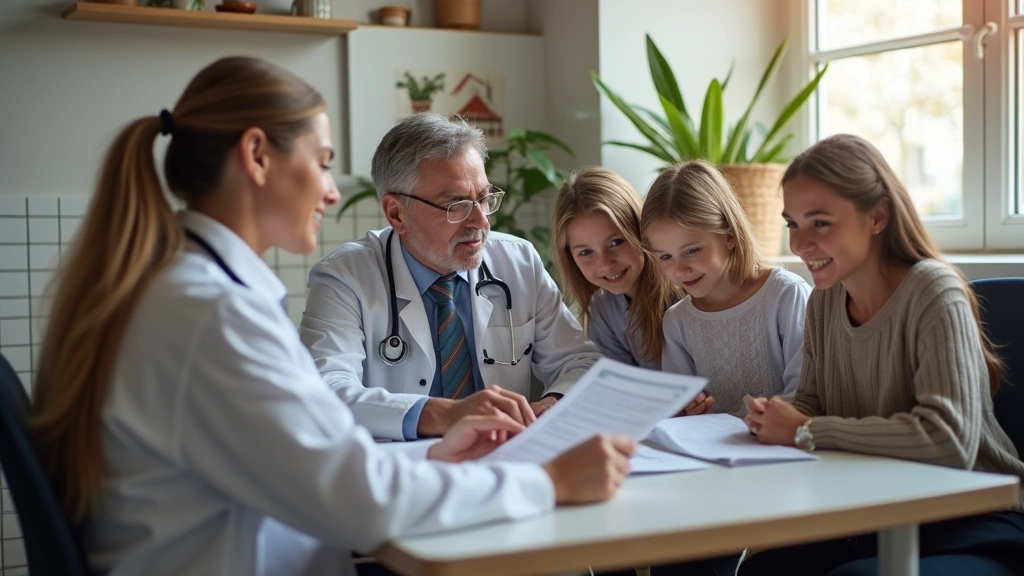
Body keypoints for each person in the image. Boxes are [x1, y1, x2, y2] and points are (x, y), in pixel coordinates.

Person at [28, 57, 636, 576]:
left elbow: (323, 457)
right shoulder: (210, 311)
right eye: (322, 162)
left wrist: (445, 456)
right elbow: (355, 495)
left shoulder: (193, 288)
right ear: (257, 156)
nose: (330, 191)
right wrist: (550, 483)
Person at [742, 134, 1024, 575]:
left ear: (877, 217)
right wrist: (774, 416)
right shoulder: (823, 302)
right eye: (792, 224)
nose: (799, 244)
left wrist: (806, 431)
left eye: (820, 223)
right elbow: (813, 403)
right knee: (763, 568)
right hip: (874, 514)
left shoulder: (933, 291)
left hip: (971, 521)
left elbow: (948, 441)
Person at [300, 112, 602, 442]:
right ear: (396, 213)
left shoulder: (519, 261)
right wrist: (445, 415)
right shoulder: (344, 278)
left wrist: (551, 404)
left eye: (484, 199)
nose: (481, 221)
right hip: (399, 470)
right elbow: (327, 390)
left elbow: (579, 360)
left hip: (502, 458)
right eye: (456, 205)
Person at [641, 160, 811, 415]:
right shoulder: (677, 321)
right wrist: (686, 409)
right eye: (665, 257)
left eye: (692, 250)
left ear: (729, 236)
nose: (680, 269)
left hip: (779, 446)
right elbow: (677, 410)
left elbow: (805, 396)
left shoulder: (786, 296)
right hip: (706, 451)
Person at [552, 166, 681, 370]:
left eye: (616, 242)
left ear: (639, 231)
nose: (605, 263)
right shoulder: (602, 308)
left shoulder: (685, 286)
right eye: (586, 252)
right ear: (571, 258)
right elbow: (620, 384)